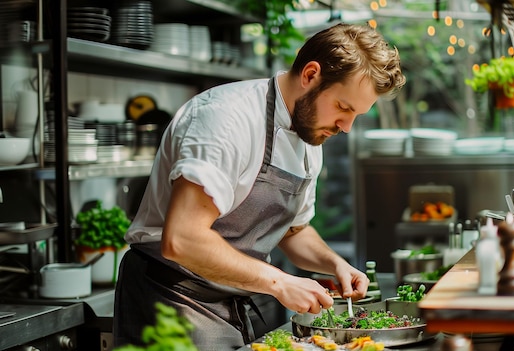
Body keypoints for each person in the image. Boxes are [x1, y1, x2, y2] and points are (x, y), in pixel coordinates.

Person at [113, 22, 405, 350]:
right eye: (343, 107)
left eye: (357, 116)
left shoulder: (310, 136)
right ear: (311, 74)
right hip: (170, 300)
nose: (346, 127)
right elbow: (182, 239)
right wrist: (279, 282)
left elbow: (294, 230)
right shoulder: (226, 119)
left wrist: (334, 264)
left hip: (228, 303)